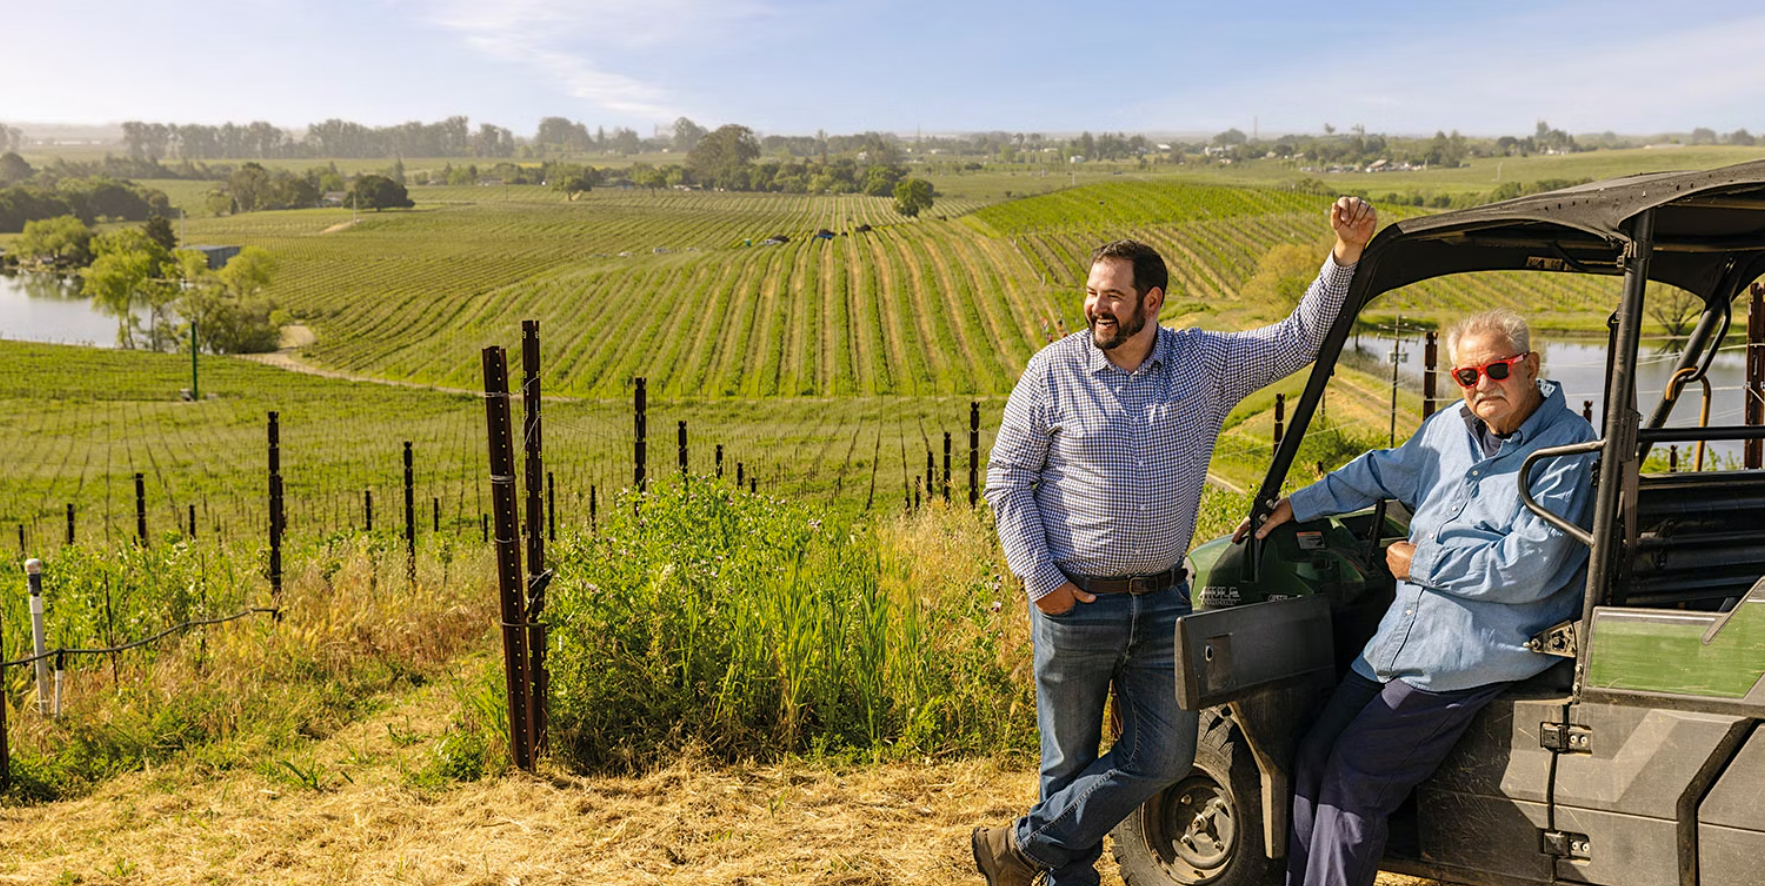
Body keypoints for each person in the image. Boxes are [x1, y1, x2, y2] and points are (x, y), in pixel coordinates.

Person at [974, 196, 1377, 886]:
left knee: (1163, 758)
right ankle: (1065, 879)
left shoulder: (1203, 365)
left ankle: (1016, 845)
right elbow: (1005, 479)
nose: (1097, 308)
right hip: (1074, 599)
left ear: (1151, 301)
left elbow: (1297, 340)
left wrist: (1344, 256)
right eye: (1091, 294)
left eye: (1113, 296)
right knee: (1067, 764)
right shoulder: (1053, 371)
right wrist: (1040, 579)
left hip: (1164, 603)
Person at [1240, 309, 1596, 886]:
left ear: (1529, 367)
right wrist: (1296, 505)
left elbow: (1526, 569)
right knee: (1312, 754)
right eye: (1467, 376)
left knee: (1356, 776)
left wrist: (1419, 562)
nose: (1483, 386)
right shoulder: (1448, 429)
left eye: (1497, 369)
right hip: (1402, 639)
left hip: (1470, 651)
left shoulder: (1567, 449)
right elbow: (1380, 471)